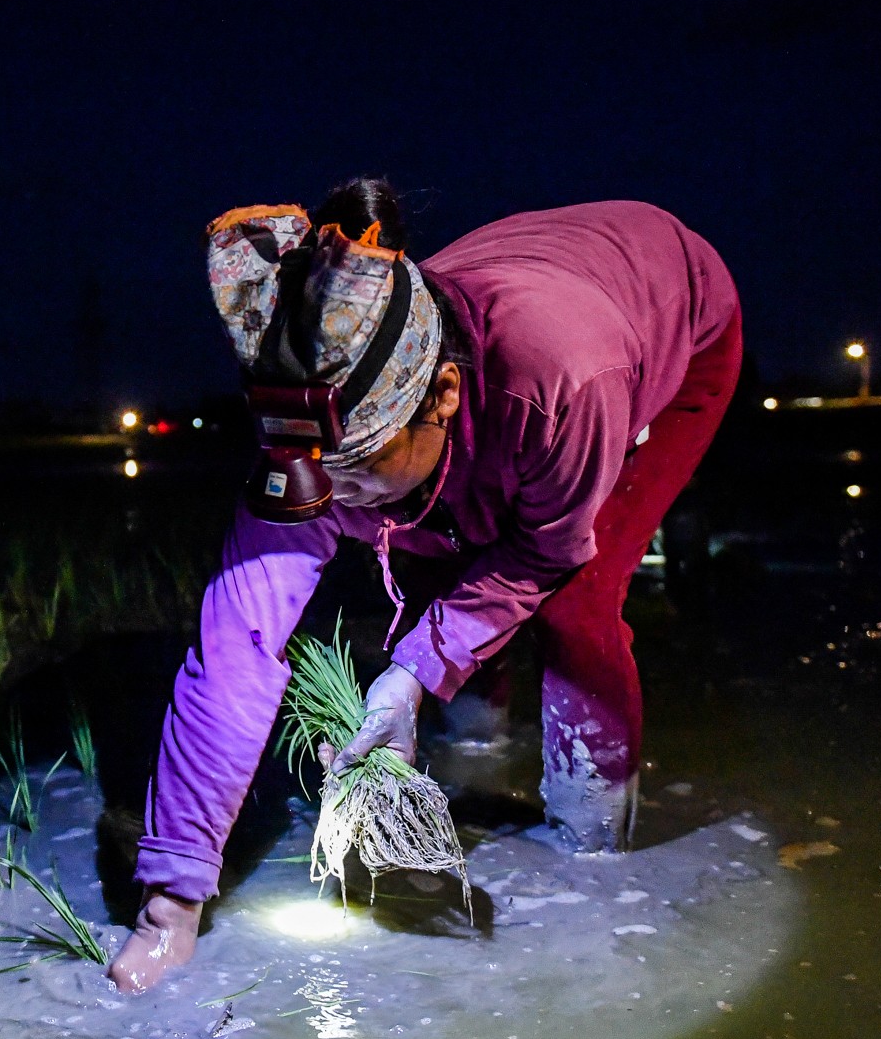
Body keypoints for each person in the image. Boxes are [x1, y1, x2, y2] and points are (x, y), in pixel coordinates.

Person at [106, 179, 743, 994]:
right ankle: (477, 739)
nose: (334, 502)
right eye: (314, 477)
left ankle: (589, 848)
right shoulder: (320, 418)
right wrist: (172, 900)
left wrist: (406, 682)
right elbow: (237, 644)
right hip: (525, 341)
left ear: (441, 394)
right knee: (431, 545)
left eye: (358, 472)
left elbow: (541, 553)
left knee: (576, 597)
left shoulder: (562, 378)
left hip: (671, 320)